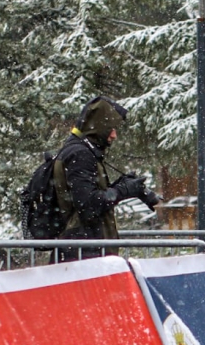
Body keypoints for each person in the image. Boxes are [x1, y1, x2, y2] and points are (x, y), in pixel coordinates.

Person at [53, 96, 159, 260]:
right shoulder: (80, 154)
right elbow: (88, 206)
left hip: (85, 249)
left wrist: (123, 187)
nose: (114, 135)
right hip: (84, 253)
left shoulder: (80, 151)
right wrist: (123, 190)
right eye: (111, 128)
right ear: (99, 126)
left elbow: (89, 198)